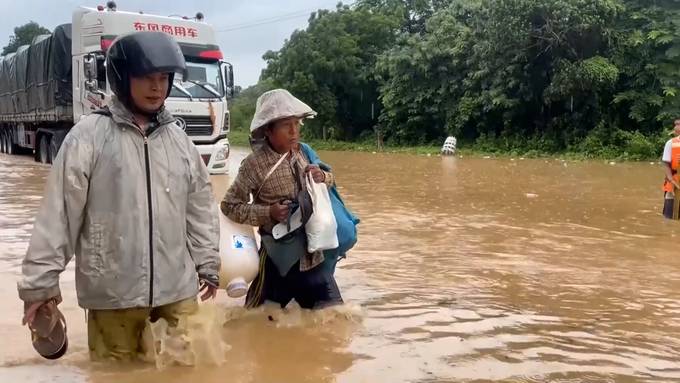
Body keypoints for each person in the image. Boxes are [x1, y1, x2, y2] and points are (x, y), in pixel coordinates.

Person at [17, 31, 221, 361]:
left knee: (188, 368)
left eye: (164, 78)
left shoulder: (180, 142)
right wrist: (40, 286)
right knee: (114, 374)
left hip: (178, 290)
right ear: (122, 78)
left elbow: (200, 207)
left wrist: (208, 263)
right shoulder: (87, 137)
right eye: (146, 78)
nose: (157, 87)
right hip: (113, 296)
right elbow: (59, 216)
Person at [221, 89, 343, 310]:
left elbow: (331, 181)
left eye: (296, 124)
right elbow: (229, 206)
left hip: (312, 256)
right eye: (286, 125)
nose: (294, 131)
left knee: (337, 316)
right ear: (268, 129)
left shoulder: (302, 152)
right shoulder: (253, 165)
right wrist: (268, 212)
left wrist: (322, 176)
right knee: (253, 323)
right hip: (277, 260)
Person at [662, 119, 680, 219]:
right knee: (669, 217)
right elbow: (666, 163)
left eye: (678, 124)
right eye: (676, 125)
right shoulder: (671, 143)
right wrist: (671, 179)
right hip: (674, 180)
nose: (675, 127)